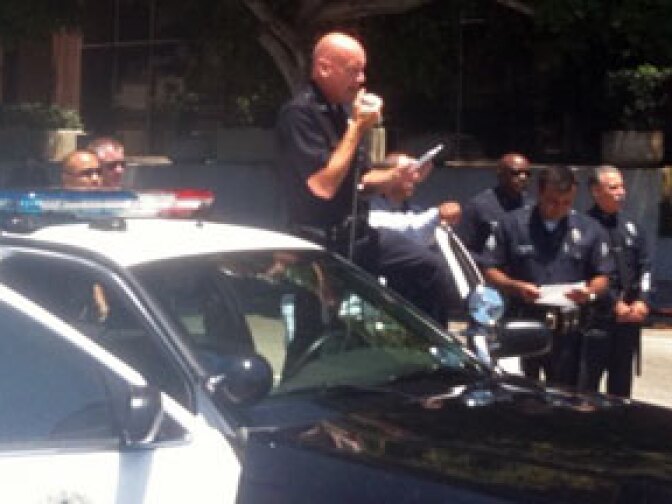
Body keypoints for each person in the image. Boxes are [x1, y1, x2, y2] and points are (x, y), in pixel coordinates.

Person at [276, 31, 454, 326]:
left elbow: (361, 180)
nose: (361, 79)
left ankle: (423, 345)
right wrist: (358, 127)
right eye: (352, 70)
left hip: (358, 234)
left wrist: (398, 175)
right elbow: (323, 186)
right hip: (321, 242)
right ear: (323, 68)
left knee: (427, 267)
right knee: (320, 325)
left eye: (362, 71)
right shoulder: (299, 114)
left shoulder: (340, 113)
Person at [480, 165, 613, 388]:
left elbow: (603, 276)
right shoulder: (512, 224)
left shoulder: (589, 228)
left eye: (567, 203)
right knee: (520, 393)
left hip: (568, 331)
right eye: (553, 201)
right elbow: (490, 268)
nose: (559, 208)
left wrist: (589, 293)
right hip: (523, 324)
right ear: (540, 193)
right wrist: (514, 286)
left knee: (566, 396)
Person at [578, 165, 651, 397]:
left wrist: (642, 301)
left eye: (622, 186)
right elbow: (583, 273)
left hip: (627, 322)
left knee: (620, 391)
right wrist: (611, 304)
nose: (621, 192)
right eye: (613, 187)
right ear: (595, 191)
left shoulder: (631, 226)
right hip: (596, 322)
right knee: (586, 388)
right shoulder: (583, 226)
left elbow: (645, 266)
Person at [368, 153, 461, 247]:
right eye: (407, 172)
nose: (415, 178)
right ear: (388, 176)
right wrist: (438, 214)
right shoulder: (371, 210)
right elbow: (409, 232)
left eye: (415, 172)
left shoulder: (416, 210)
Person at [456, 152, 532, 260]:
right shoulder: (478, 206)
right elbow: (462, 249)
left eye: (527, 173)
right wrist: (486, 264)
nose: (523, 177)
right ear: (500, 174)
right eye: (515, 173)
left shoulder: (532, 206)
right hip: (487, 270)